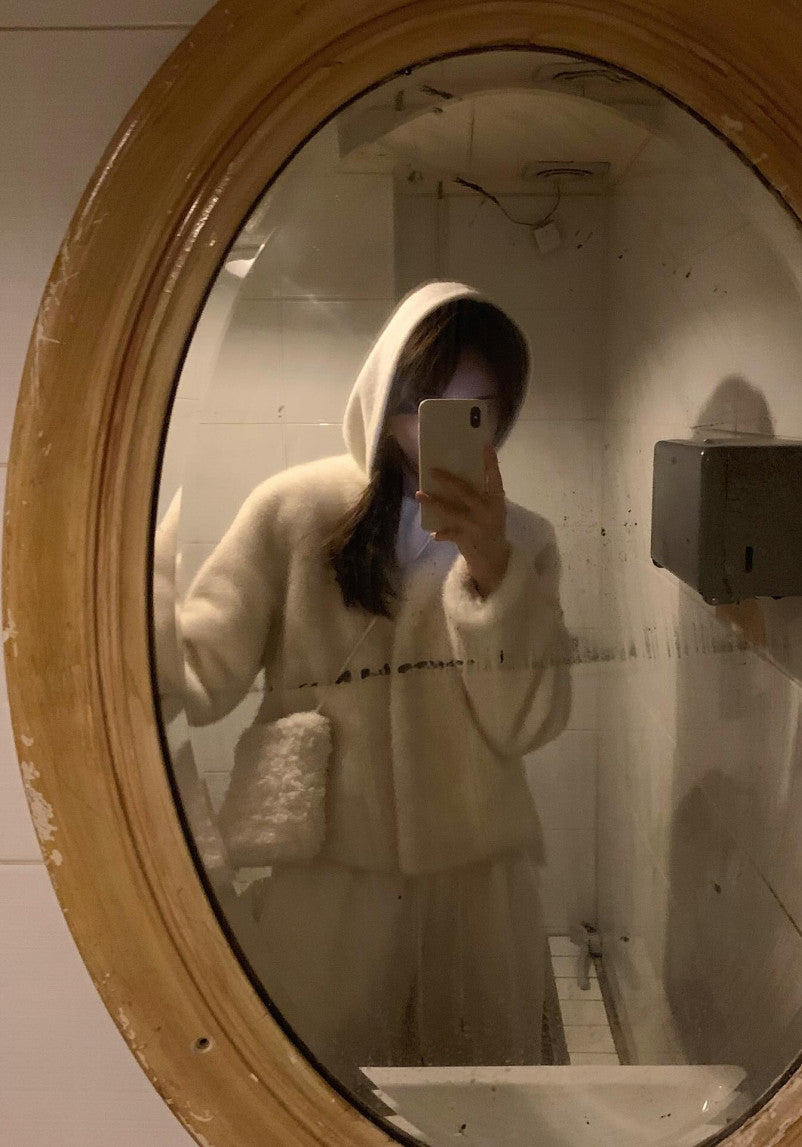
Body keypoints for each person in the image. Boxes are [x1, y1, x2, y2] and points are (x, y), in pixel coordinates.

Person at [155, 280, 572, 1085]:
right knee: (315, 1092)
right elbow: (200, 669)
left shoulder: (526, 539)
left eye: (474, 409)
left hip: (477, 880)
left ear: (503, 413)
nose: (441, 428)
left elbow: (529, 722)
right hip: (330, 871)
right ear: (386, 397)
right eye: (424, 403)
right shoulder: (293, 509)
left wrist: (494, 571)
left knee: (486, 1100)